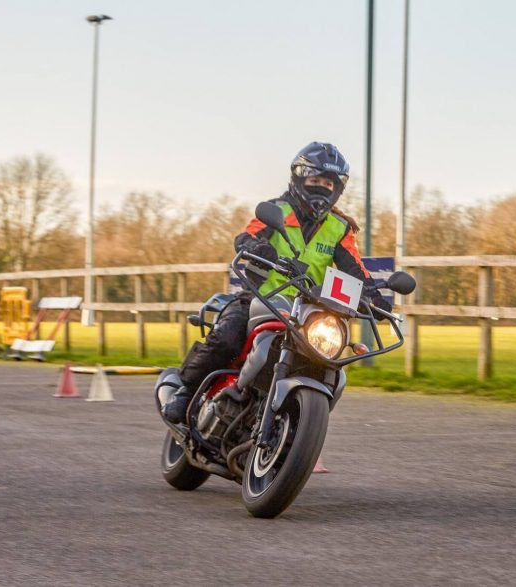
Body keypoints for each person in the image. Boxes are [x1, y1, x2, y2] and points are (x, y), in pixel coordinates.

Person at [163, 142, 390, 423]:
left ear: (338, 189)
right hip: (260, 298)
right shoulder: (277, 210)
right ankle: (185, 391)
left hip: (305, 310)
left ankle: (297, 422)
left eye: (328, 183)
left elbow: (356, 270)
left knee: (328, 357)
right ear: (299, 178)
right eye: (315, 180)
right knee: (227, 337)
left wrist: (375, 299)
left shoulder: (339, 228)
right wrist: (257, 247)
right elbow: (244, 237)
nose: (321, 187)